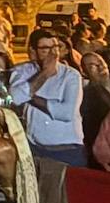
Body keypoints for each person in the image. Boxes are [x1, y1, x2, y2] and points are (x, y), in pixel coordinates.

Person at [10, 28, 85, 166]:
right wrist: (44, 75)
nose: (53, 53)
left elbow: (65, 113)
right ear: (33, 51)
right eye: (45, 48)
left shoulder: (71, 76)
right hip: (34, 147)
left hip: (66, 149)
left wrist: (31, 96)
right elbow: (15, 97)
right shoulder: (22, 71)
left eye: (55, 47)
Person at [79, 51, 110, 160]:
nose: (100, 67)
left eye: (101, 62)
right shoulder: (87, 95)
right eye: (93, 66)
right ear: (84, 72)